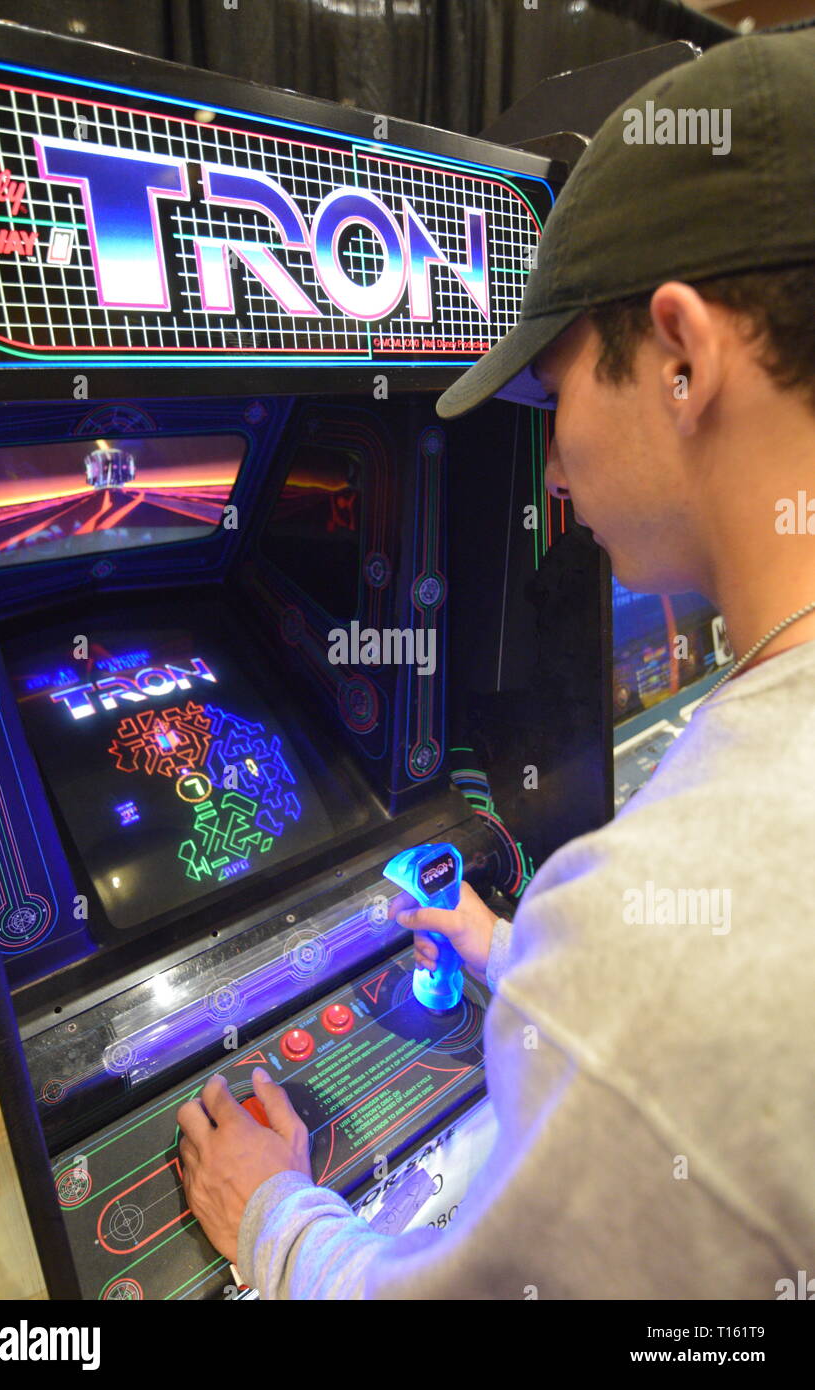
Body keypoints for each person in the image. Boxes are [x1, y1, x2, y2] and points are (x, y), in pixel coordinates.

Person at [177, 29, 815, 1299]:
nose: (557, 468)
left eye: (554, 393)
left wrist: (274, 1220)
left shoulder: (665, 937)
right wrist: (509, 948)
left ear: (681, 355)